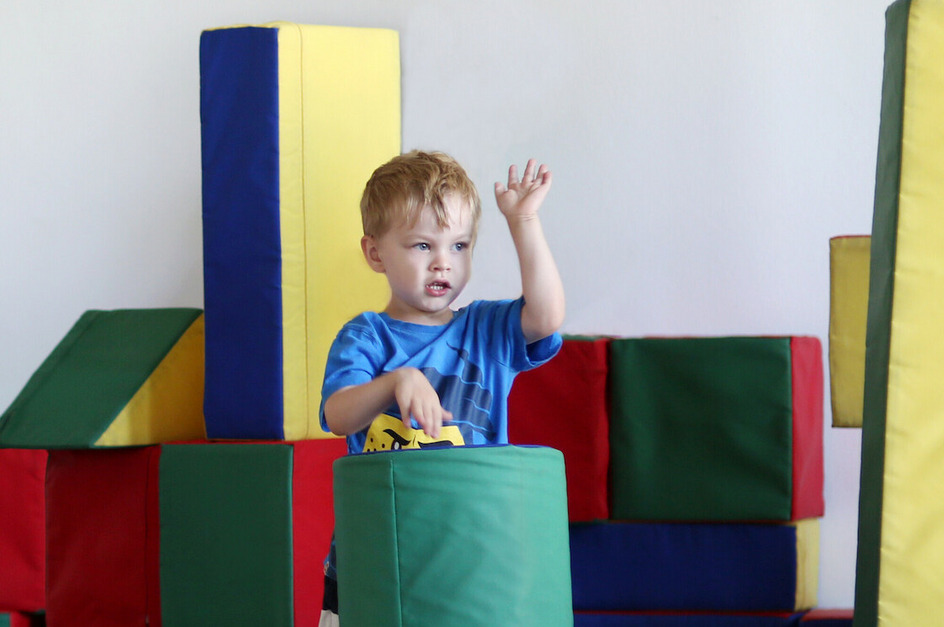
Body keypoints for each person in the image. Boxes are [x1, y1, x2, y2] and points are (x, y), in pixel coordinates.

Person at [318, 150, 565, 626]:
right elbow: (339, 413)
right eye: (422, 246)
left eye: (459, 246)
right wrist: (397, 381)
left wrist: (525, 220)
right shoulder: (367, 337)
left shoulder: (485, 331)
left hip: (466, 557)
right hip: (377, 556)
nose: (442, 265)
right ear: (375, 253)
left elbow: (548, 316)